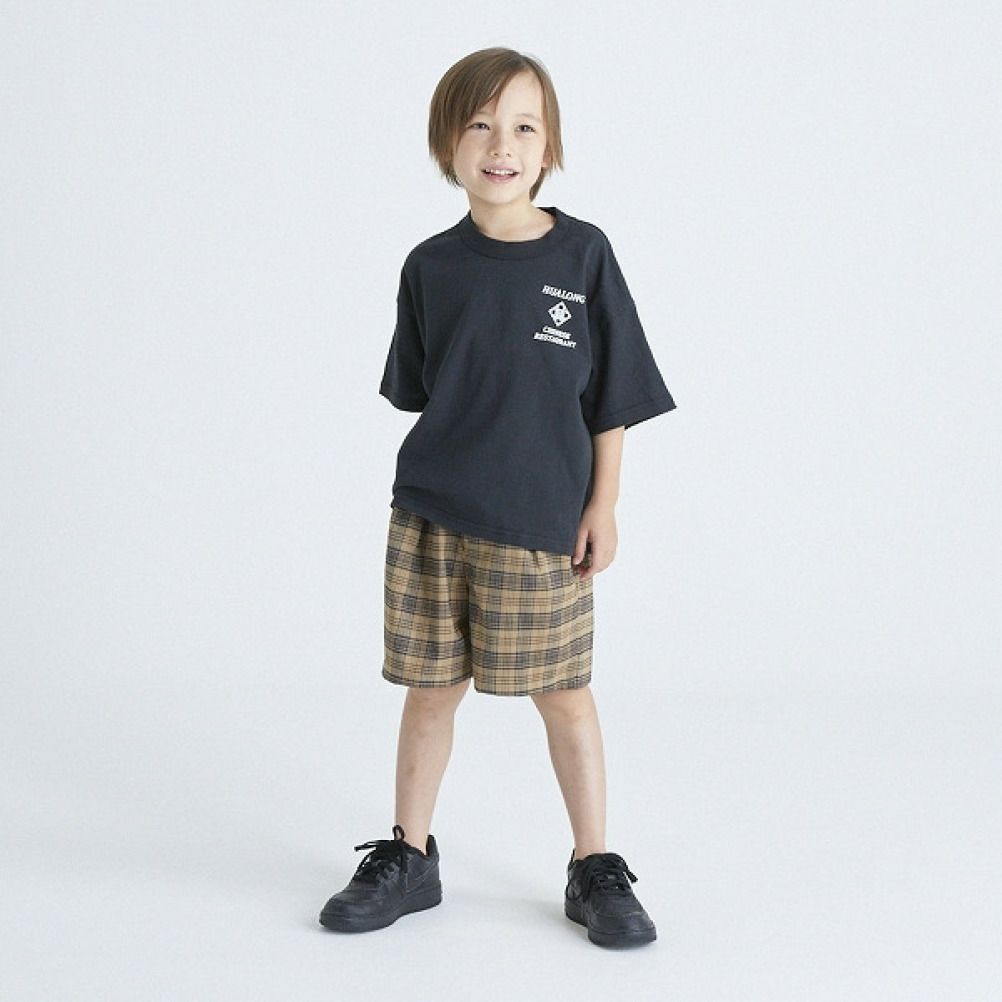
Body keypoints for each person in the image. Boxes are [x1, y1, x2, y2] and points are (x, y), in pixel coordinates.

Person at [319, 46, 676, 949]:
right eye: (479, 125)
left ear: (549, 146)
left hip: (541, 519)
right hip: (432, 513)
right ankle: (409, 855)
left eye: (522, 127)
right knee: (431, 691)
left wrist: (603, 505)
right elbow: (422, 390)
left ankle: (594, 865)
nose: (501, 145)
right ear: (448, 143)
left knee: (565, 693)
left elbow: (613, 397)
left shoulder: (583, 255)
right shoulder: (429, 266)